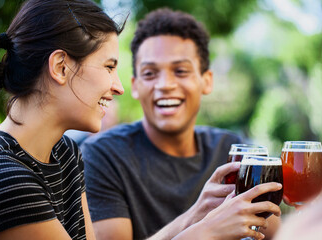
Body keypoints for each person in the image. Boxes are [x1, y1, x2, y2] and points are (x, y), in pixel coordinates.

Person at [81, 8, 282, 240]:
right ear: (135, 86)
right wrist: (198, 216)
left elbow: (276, 232)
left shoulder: (230, 148)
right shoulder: (102, 154)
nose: (165, 84)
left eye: (180, 71)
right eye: (150, 73)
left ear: (206, 81)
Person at [0, 0, 125, 239]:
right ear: (60, 67)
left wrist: (197, 214)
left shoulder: (65, 152)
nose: (119, 87)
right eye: (109, 67)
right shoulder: (6, 178)